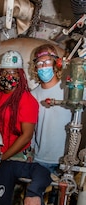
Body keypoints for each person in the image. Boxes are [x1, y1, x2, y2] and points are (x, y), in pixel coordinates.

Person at [0, 50, 39, 161]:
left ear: (20, 75)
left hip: (16, 157)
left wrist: (2, 158)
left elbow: (26, 136)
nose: (8, 76)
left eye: (13, 72)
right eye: (4, 72)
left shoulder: (27, 100)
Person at [29, 44, 72, 174]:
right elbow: (30, 127)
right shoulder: (33, 95)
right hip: (40, 158)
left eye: (48, 62)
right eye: (40, 63)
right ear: (35, 67)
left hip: (66, 160)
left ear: (56, 64)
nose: (43, 66)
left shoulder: (69, 90)